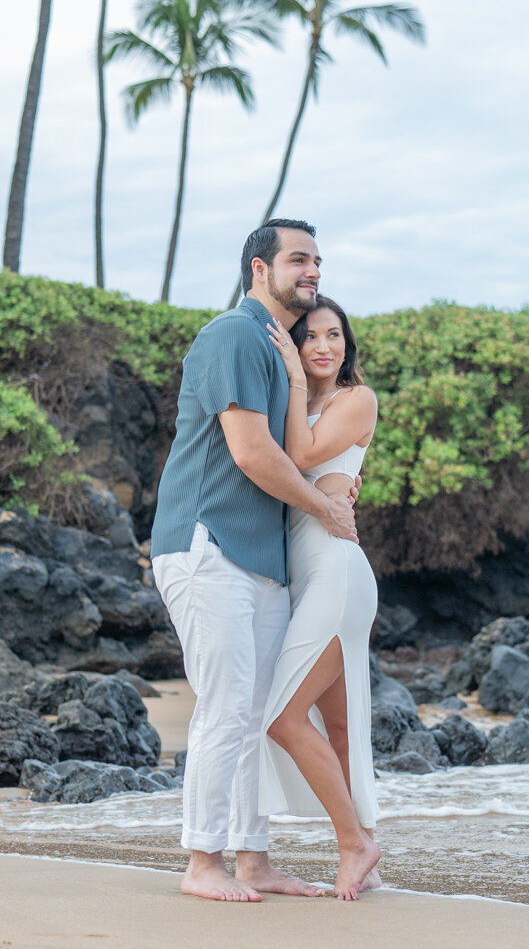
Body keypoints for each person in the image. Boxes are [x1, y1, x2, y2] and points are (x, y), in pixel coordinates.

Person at [147, 219, 358, 903]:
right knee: (228, 705)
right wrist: (326, 511)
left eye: (318, 260)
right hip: (207, 543)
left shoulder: (276, 350)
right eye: (299, 259)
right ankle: (201, 861)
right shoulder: (234, 334)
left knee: (255, 711)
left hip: (260, 560)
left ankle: (252, 859)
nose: (314, 270)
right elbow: (251, 453)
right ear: (260, 270)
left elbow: (300, 449)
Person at [258, 296, 383, 900]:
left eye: (334, 335)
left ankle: (354, 844)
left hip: (337, 574)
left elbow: (303, 457)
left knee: (283, 719)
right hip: (306, 577)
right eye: (309, 338)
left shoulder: (353, 400)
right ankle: (368, 851)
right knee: (336, 724)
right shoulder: (296, 408)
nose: (324, 347)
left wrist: (288, 374)